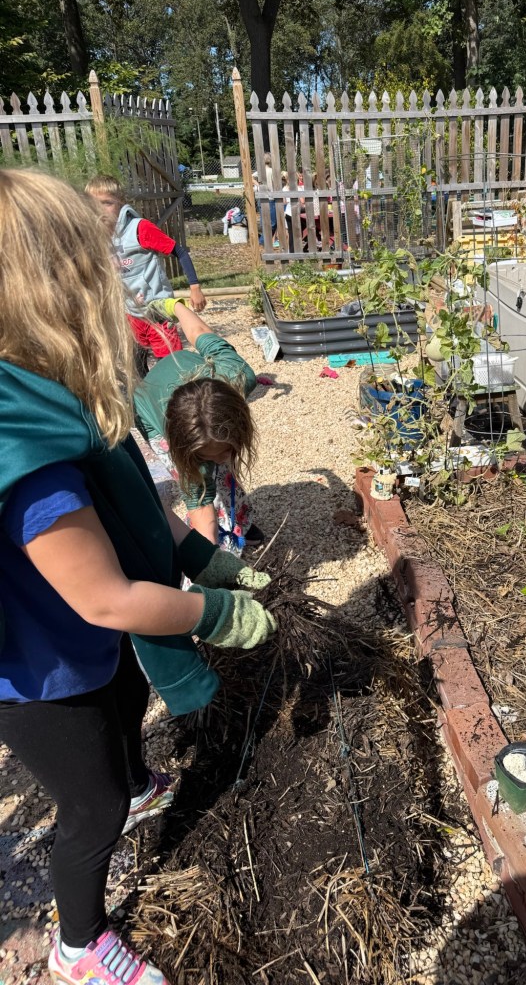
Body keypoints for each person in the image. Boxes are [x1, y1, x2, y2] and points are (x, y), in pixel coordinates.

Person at [0, 168, 277, 985]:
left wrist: (201, 556)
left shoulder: (60, 391)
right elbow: (106, 598)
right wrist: (213, 612)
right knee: (91, 807)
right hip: (38, 669)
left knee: (124, 699)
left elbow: (137, 507)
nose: (113, 279)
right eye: (96, 264)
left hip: (81, 636)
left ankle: (134, 778)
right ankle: (79, 945)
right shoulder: (24, 445)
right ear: (54, 287)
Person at [133, 299, 263, 549]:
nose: (223, 458)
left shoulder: (237, 376)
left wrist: (173, 306)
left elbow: (199, 331)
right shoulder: (175, 438)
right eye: (210, 454)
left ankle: (239, 521)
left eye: (226, 449)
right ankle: (219, 533)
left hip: (182, 365)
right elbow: (200, 504)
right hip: (148, 407)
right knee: (201, 481)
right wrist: (210, 559)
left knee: (220, 471)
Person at [85, 175, 207, 376]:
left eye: (107, 203)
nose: (100, 210)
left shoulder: (139, 229)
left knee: (171, 365)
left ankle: (176, 390)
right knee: (135, 363)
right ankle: (145, 391)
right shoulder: (97, 236)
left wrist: (195, 288)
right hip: (129, 311)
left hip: (156, 308)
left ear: (121, 202)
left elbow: (180, 252)